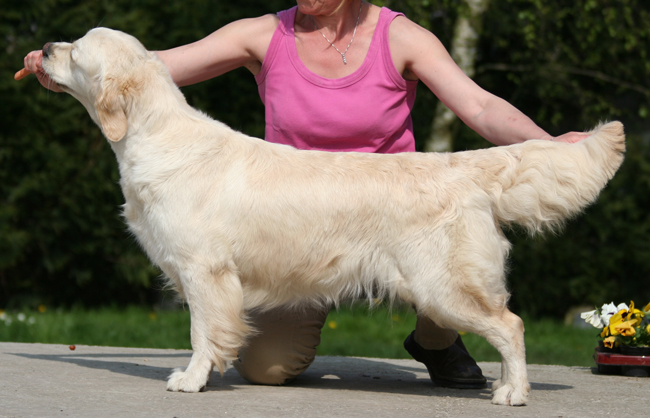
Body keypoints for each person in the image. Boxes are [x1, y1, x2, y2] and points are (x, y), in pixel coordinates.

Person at [22, 0, 587, 389]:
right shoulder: (266, 33)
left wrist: (546, 146)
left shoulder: (402, 36)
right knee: (266, 369)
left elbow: (481, 107)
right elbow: (149, 69)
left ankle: (436, 340)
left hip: (394, 208)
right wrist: (64, 67)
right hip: (290, 220)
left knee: (445, 294)